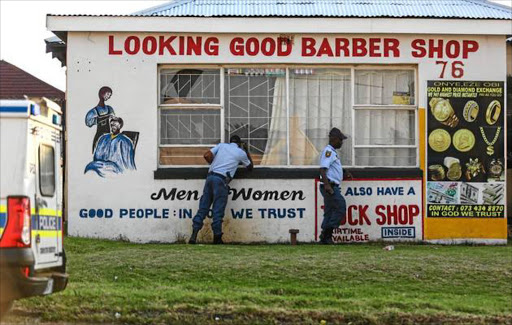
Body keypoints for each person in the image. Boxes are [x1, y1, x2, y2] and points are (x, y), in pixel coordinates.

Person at [189, 135, 253, 244]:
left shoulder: (222, 146)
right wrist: (246, 150)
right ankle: (217, 238)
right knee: (217, 210)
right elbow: (250, 167)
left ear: (230, 142)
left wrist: (213, 163)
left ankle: (193, 235)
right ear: (239, 144)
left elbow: (206, 155)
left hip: (210, 177)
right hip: (221, 180)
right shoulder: (240, 152)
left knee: (203, 208)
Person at [319, 128, 348, 244]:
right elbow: (322, 169)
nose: (341, 142)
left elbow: (332, 167)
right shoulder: (329, 152)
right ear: (334, 139)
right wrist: (327, 186)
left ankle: (324, 237)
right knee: (340, 207)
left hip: (330, 186)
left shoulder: (332, 152)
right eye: (340, 140)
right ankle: (327, 234)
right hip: (329, 186)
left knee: (330, 212)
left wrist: (344, 171)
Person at [85, 86, 115, 153]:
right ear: (102, 94)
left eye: (110, 95)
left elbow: (114, 120)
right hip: (99, 137)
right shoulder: (93, 111)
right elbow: (89, 123)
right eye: (107, 94)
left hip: (109, 135)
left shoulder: (110, 109)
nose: (109, 97)